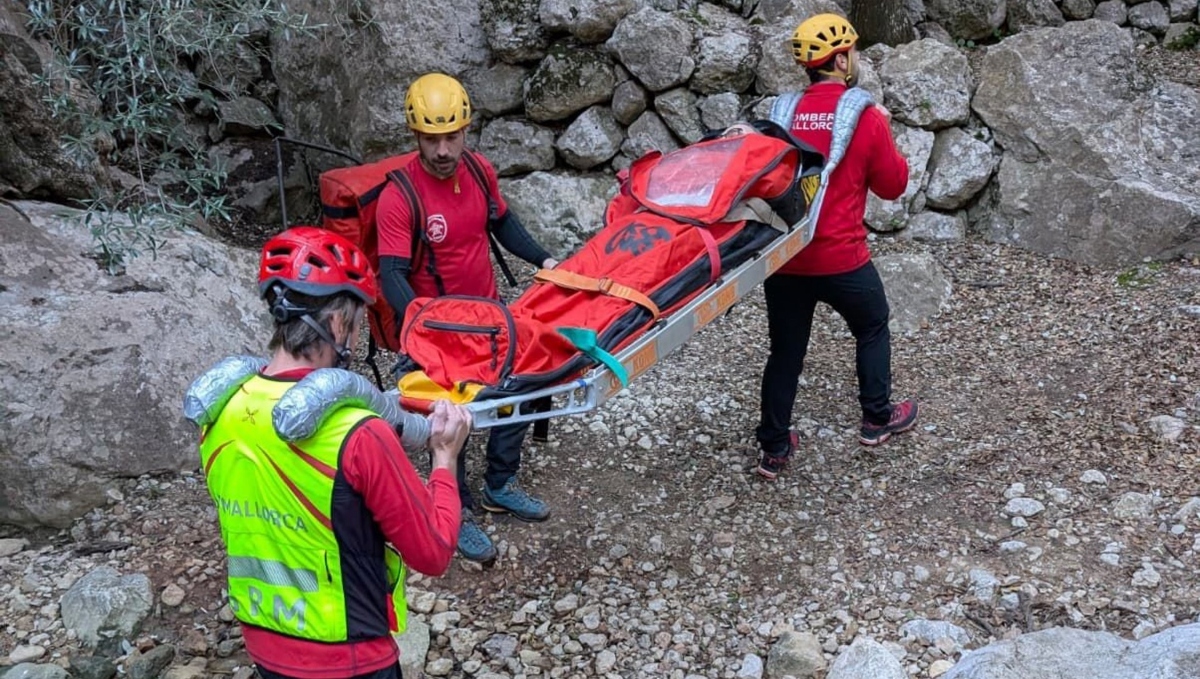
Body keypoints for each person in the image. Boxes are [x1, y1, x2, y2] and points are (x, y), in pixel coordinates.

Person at [195, 227, 472, 679]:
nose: (356, 337)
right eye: (358, 324)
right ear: (340, 324)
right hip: (350, 658)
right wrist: (444, 459)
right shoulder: (358, 433)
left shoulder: (221, 410)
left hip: (264, 646)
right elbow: (434, 552)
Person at [375, 72, 559, 564]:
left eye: (451, 137)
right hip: (437, 333)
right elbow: (391, 274)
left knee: (522, 386)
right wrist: (422, 327)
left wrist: (545, 260)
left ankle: (500, 483)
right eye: (431, 139)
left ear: (465, 130)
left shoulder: (478, 170)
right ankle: (456, 512)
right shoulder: (399, 197)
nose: (442, 150)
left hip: (490, 317)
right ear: (415, 135)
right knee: (447, 417)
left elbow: (502, 222)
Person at [755, 13, 919, 480]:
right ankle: (877, 419)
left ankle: (774, 447)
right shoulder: (865, 116)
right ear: (842, 59)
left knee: (785, 351)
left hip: (785, 257)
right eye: (854, 52)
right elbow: (892, 185)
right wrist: (887, 133)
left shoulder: (780, 113)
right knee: (872, 325)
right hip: (843, 258)